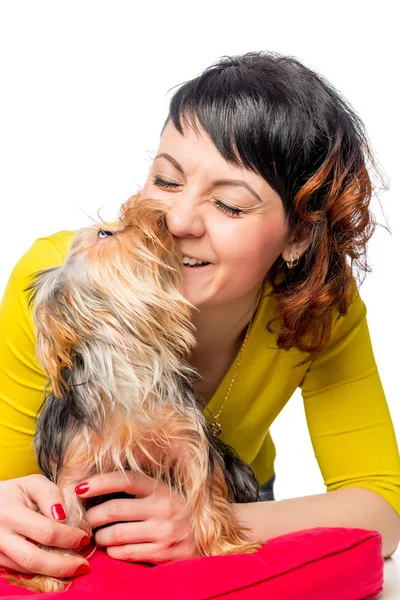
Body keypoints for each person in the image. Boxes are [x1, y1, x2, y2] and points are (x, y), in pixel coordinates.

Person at [0, 51, 399, 579]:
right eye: (166, 180)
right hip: (75, 536)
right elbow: (10, 486)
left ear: (300, 235)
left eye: (230, 205)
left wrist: (212, 520)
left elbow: (383, 509)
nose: (179, 220)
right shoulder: (63, 282)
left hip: (237, 501)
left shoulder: (317, 303)